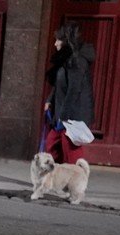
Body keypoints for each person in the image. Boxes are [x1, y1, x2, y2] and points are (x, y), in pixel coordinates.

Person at [44, 22, 96, 164]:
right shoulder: (66, 58)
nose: (55, 44)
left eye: (58, 40)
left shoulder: (77, 61)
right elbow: (59, 83)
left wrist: (64, 115)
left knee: (70, 150)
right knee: (52, 144)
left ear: (66, 41)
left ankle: (76, 176)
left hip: (73, 115)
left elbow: (74, 89)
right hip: (61, 111)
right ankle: (56, 173)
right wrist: (49, 100)